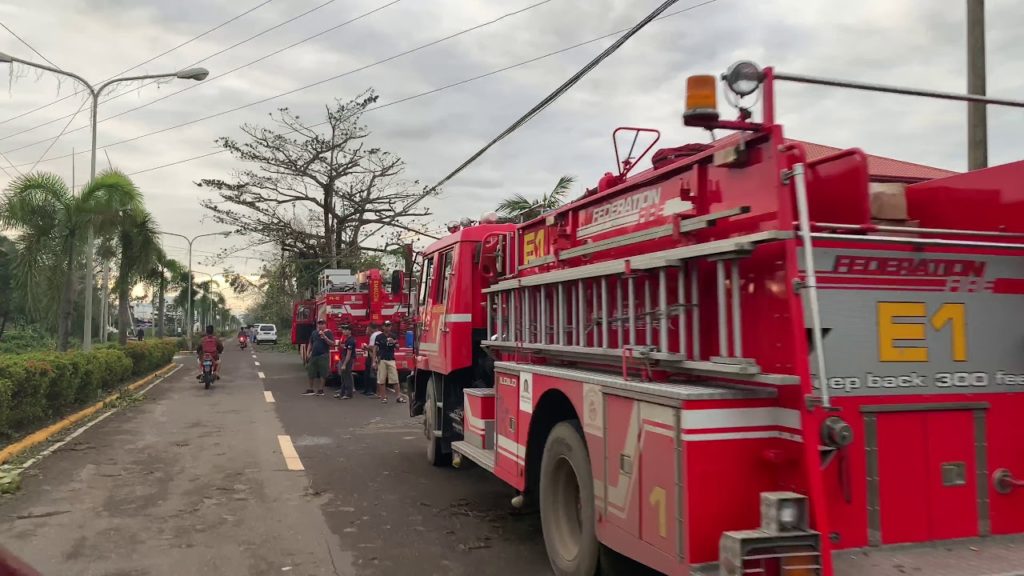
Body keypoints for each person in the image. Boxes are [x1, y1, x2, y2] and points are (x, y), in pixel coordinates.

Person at [375, 320, 405, 404]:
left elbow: (398, 347)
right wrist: (374, 360)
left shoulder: (393, 336)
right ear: (383, 327)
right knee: (382, 379)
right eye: (386, 325)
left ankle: (398, 397)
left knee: (395, 379)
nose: (388, 327)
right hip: (382, 359)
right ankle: (383, 397)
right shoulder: (379, 337)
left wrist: (394, 342)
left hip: (391, 359)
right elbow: (375, 348)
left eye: (389, 326)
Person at [304, 319, 335, 396]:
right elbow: (311, 343)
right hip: (314, 356)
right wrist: (308, 353)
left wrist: (324, 337)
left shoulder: (328, 332)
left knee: (323, 373)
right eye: (319, 324)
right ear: (317, 325)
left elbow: (332, 343)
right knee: (311, 372)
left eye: (322, 324)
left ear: (325, 324)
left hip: (323, 355)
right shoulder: (314, 333)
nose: (320, 325)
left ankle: (321, 390)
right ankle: (310, 389)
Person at [333, 325, 356, 400]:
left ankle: (349, 394)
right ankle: (342, 393)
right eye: (344, 330)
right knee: (343, 377)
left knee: (347, 377)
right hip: (344, 358)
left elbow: (349, 354)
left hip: (347, 360)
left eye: (346, 330)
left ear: (350, 331)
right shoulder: (347, 339)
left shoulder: (351, 340)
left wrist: (344, 364)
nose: (344, 331)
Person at [362, 322, 381, 396]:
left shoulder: (374, 335)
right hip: (376, 356)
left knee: (372, 374)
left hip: (374, 357)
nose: (366, 331)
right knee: (371, 373)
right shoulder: (380, 334)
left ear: (371, 329)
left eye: (367, 329)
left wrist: (365, 346)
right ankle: (369, 390)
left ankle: (371, 390)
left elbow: (373, 348)